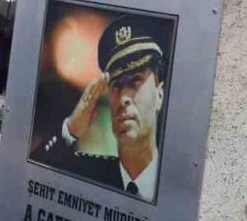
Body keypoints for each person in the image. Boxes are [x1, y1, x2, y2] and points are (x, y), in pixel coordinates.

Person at [39, 14, 168, 202]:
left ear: (159, 96)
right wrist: (72, 128)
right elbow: (32, 173)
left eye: (135, 81)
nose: (123, 97)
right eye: (115, 85)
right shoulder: (93, 173)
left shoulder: (173, 184)